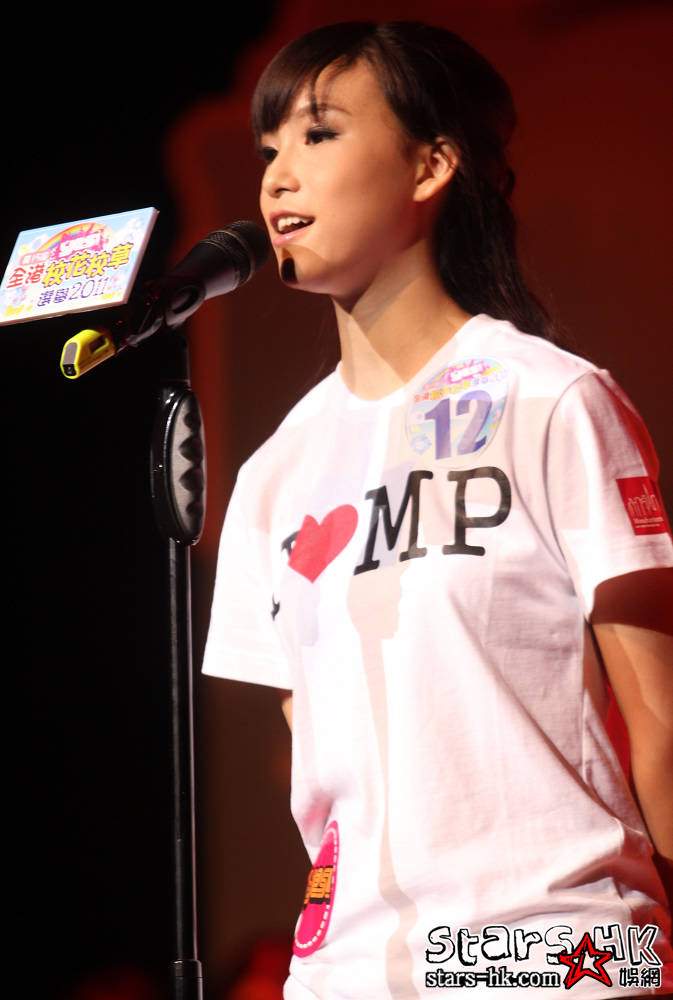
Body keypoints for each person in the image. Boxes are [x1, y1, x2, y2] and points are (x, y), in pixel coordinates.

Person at [201, 20, 673, 999]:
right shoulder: (275, 474)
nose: (278, 176)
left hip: (558, 953)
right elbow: (326, 772)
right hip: (347, 973)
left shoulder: (550, 401)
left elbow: (659, 724)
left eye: (318, 133)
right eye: (268, 148)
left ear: (432, 163)